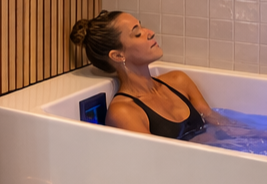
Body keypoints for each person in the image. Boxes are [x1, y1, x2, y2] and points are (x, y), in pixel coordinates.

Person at [69, 11, 217, 139]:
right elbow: (156, 163)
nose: (150, 32)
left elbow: (219, 123)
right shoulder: (124, 113)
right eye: (137, 33)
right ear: (118, 56)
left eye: (142, 26)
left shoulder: (179, 81)